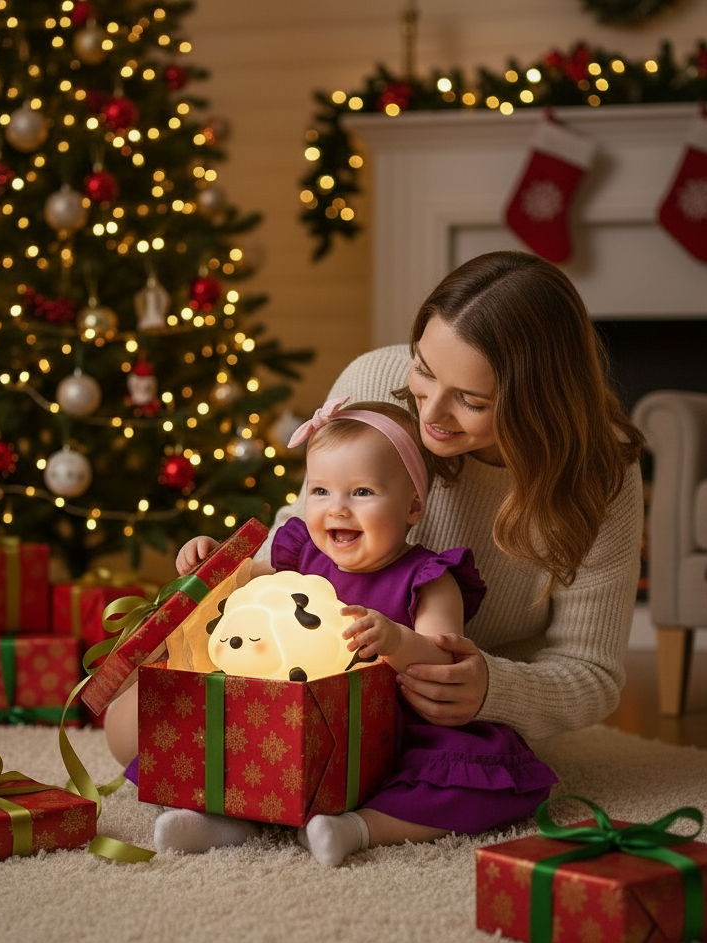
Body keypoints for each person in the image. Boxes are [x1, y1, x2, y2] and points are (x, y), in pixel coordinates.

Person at [108, 249, 644, 864]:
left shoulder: (599, 477)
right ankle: (233, 811)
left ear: (539, 403)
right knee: (144, 718)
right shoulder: (372, 384)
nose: (430, 414)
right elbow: (305, 526)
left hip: (435, 710)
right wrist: (225, 582)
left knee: (463, 773)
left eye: (471, 399)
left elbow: (590, 672)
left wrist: (490, 689)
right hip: (308, 680)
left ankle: (354, 822)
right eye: (423, 369)